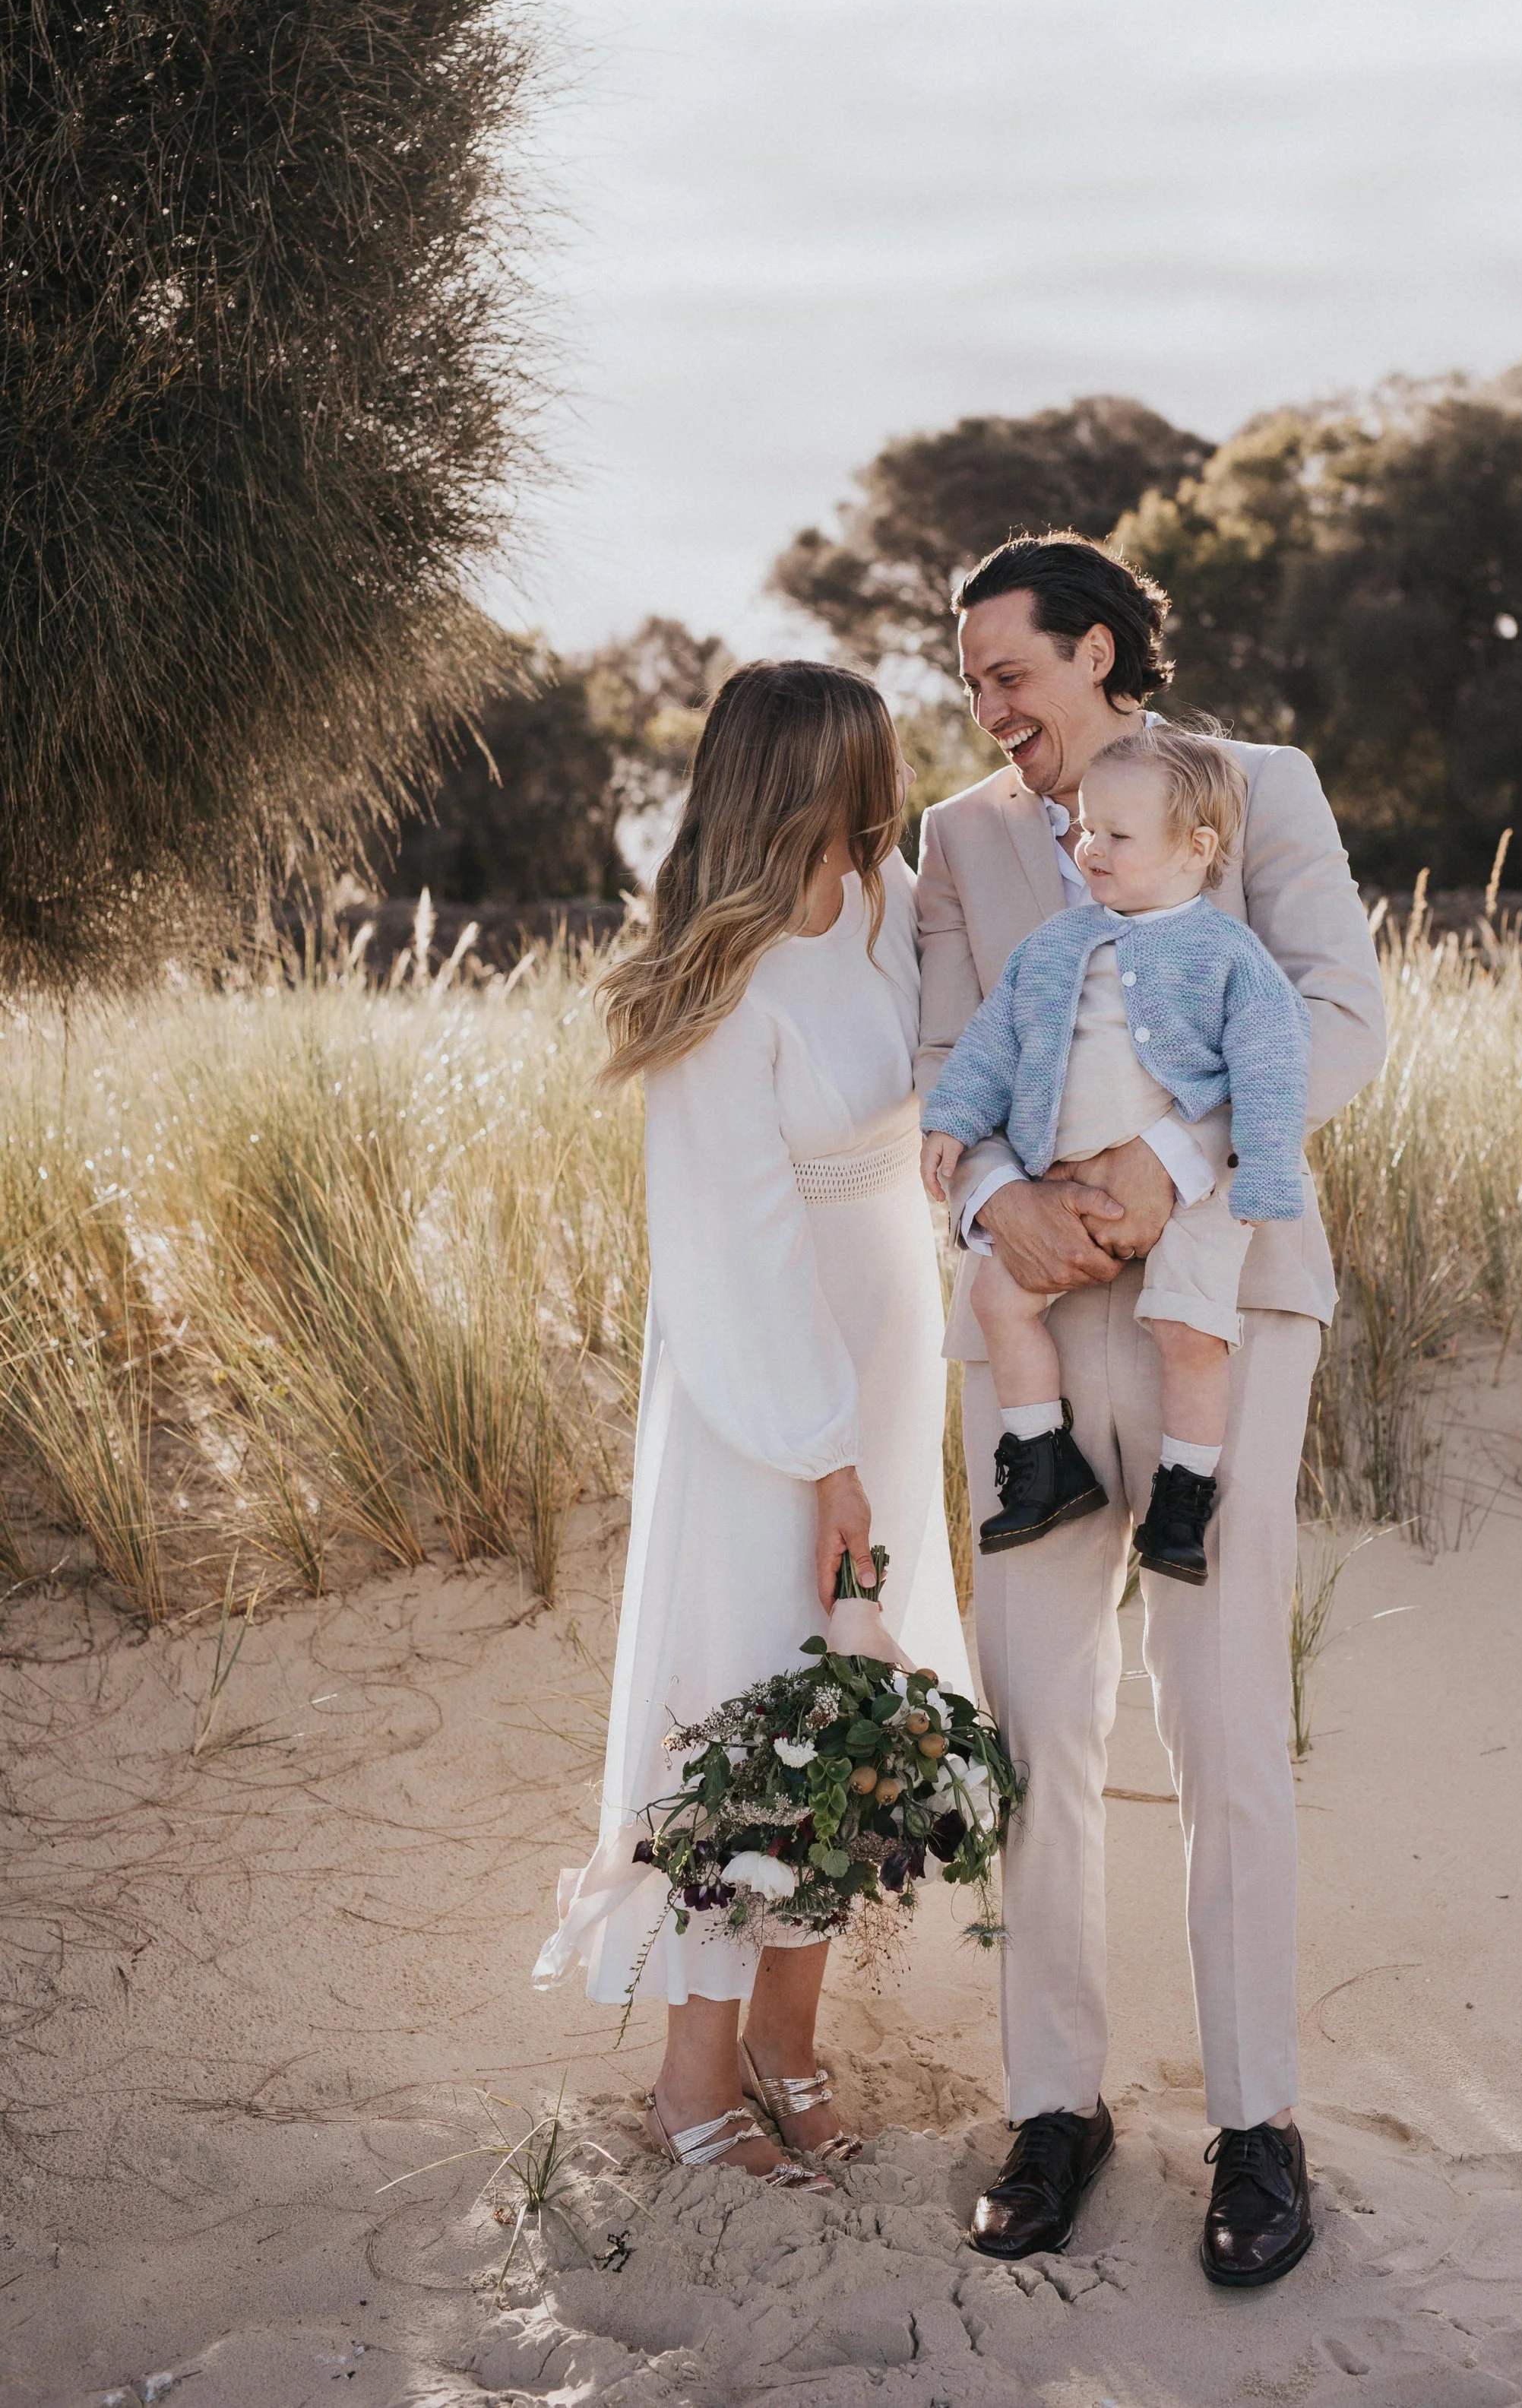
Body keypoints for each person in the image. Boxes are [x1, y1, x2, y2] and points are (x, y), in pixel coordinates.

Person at [915, 532, 1386, 2288]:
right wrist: (991, 1209)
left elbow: (1343, 1014)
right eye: (970, 682)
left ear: (1097, 652)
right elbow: (931, 1057)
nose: (985, 710)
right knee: (1032, 1718)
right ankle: (1057, 2101)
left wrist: (1168, 1156)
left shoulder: (1256, 788)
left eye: (1008, 672)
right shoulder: (955, 840)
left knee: (1222, 1719)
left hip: (1223, 1309)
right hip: (1028, 1327)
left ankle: (1258, 2121)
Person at [533, 661, 968, 2185]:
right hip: (766, 1402)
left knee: (851, 1725)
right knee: (749, 1714)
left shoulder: (876, 900)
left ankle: (792, 2041)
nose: (881, 802)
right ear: (798, 780)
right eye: (859, 777)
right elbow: (736, 1244)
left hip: (887, 1366)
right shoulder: (716, 983)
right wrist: (821, 1455)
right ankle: (691, 2072)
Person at [919, 724, 1312, 1586]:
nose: (1088, 847)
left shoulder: (1224, 954)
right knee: (996, 1295)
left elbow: (1273, 1061)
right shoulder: (1058, 944)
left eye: (1115, 836)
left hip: (1199, 1197)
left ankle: (1182, 1490)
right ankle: (1043, 1456)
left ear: (1194, 849)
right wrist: (952, 1117)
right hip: (1057, 1188)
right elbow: (992, 1041)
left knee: (1189, 1327)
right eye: (1086, 830)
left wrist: (1270, 1169)